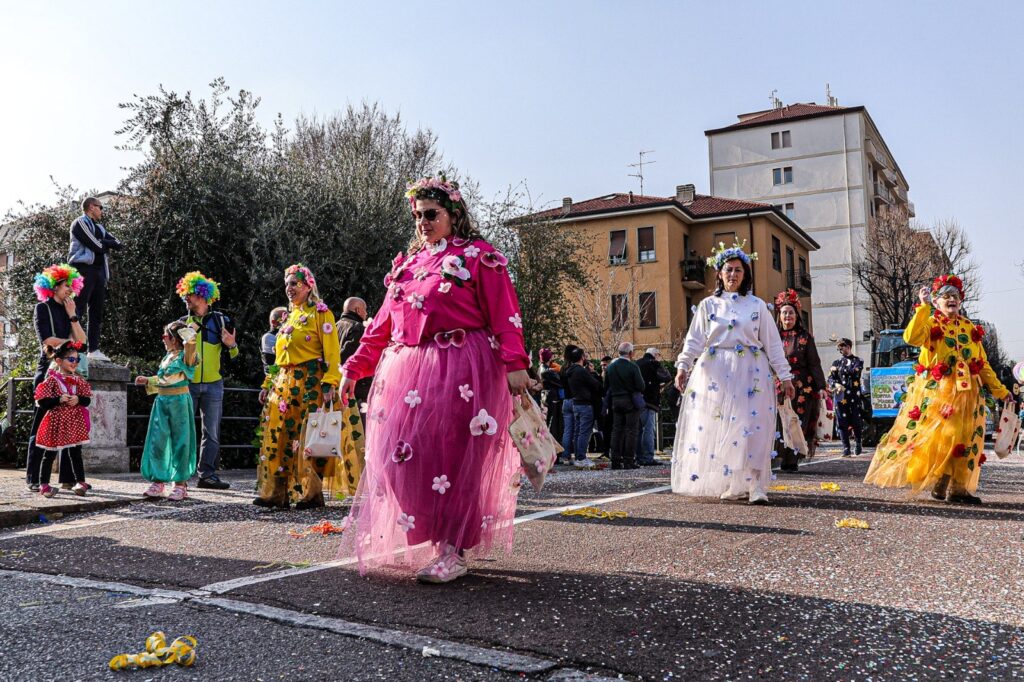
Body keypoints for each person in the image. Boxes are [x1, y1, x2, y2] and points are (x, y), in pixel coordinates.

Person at [339, 174, 530, 583]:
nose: (422, 222)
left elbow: (504, 313)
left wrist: (515, 364)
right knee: (401, 458)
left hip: (464, 368)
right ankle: (430, 532)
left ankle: (452, 548)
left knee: (454, 457)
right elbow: (381, 327)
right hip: (406, 372)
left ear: (453, 215)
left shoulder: (480, 256)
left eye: (431, 214)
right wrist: (354, 368)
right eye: (417, 216)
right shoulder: (407, 266)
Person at [865, 276, 1012, 504]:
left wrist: (1002, 391)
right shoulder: (931, 323)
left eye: (955, 296)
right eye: (946, 296)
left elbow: (982, 365)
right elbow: (911, 337)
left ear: (960, 301)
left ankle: (959, 489)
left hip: (968, 395)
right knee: (946, 436)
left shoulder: (969, 328)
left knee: (966, 439)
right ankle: (940, 479)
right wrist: (922, 307)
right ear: (937, 302)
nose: (951, 300)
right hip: (940, 394)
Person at [671, 242, 795, 505]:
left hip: (752, 369)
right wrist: (683, 367)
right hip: (715, 371)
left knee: (752, 426)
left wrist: (785, 377)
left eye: (738, 270)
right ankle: (733, 481)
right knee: (723, 425)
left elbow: (772, 343)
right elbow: (694, 340)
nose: (733, 275)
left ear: (745, 274)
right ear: (719, 273)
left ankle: (756, 485)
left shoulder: (758, 305)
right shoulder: (708, 305)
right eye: (728, 270)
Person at [254, 264, 342, 510]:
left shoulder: (321, 313)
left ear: (308, 286)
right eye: (287, 284)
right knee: (280, 437)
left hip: (310, 381)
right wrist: (267, 384)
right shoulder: (288, 316)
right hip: (283, 383)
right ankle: (276, 494)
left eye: (295, 284)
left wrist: (330, 382)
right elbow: (278, 358)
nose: (289, 289)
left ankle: (311, 494)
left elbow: (332, 352)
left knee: (308, 438)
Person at [26, 264, 88, 492]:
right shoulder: (42, 308)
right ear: (53, 287)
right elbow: (47, 340)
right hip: (48, 371)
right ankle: (34, 478)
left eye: (72, 286)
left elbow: (82, 342)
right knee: (41, 425)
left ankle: (68, 478)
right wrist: (68, 344)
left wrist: (73, 317)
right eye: (65, 286)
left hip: (68, 373)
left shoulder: (70, 310)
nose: (69, 290)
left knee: (70, 425)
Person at [176, 271, 236, 490]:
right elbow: (173, 355)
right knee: (184, 429)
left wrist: (231, 345)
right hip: (187, 384)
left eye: (190, 294)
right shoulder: (182, 323)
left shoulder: (222, 320)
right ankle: (181, 475)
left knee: (211, 432)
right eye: (185, 294)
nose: (186, 298)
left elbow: (234, 355)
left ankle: (207, 475)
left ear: (202, 295)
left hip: (214, 384)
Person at [134, 321, 198, 501]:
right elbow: (166, 379)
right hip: (162, 401)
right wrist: (148, 380)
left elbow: (191, 343)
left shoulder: (187, 357)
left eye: (165, 336)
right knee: (157, 440)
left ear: (175, 339)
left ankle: (180, 484)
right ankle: (159, 480)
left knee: (181, 441)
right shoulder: (167, 357)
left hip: (179, 402)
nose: (162, 339)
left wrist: (188, 332)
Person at [773, 289, 827, 471]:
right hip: (778, 385)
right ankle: (781, 456)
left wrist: (821, 386)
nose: (787, 316)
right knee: (781, 421)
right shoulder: (772, 337)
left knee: (796, 422)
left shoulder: (804, 337)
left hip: (802, 388)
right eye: (784, 313)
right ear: (779, 316)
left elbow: (814, 362)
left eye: (791, 312)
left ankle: (793, 459)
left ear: (796, 316)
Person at [32, 341, 92, 498]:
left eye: (77, 360)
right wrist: (58, 399)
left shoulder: (79, 380)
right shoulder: (51, 380)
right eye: (71, 360)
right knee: (50, 453)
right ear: (58, 361)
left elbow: (87, 400)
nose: (75, 363)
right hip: (56, 421)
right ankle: (44, 484)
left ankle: (81, 482)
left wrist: (78, 399)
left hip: (73, 421)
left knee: (75, 452)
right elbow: (43, 402)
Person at [68, 196, 123, 360]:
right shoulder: (80, 223)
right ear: (91, 207)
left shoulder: (99, 227)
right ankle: (72, 346)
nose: (102, 210)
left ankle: (94, 349)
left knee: (96, 312)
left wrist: (104, 241)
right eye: (101, 207)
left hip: (99, 272)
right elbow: (96, 246)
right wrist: (105, 243)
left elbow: (118, 244)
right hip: (83, 269)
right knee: (78, 308)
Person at [605, 342, 645, 469]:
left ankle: (615, 461)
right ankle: (629, 460)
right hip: (630, 401)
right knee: (631, 431)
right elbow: (641, 386)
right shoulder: (633, 367)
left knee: (616, 430)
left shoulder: (610, 367)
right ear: (631, 353)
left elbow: (605, 386)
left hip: (615, 401)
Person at [564, 346, 601, 469]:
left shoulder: (570, 371)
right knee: (584, 432)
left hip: (576, 403)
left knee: (577, 432)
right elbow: (596, 385)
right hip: (585, 404)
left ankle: (578, 456)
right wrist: (593, 373)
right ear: (581, 357)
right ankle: (581, 457)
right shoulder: (581, 371)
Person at [829, 338, 866, 457]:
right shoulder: (836, 362)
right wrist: (835, 384)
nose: (840, 349)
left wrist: (838, 370)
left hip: (854, 396)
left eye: (842, 346)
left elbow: (854, 372)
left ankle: (858, 441)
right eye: (839, 347)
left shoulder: (858, 361)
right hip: (840, 396)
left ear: (848, 346)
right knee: (841, 422)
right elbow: (830, 378)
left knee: (856, 421)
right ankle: (846, 448)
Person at [636, 347, 672, 466]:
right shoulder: (654, 364)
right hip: (650, 401)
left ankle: (638, 457)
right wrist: (660, 386)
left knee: (638, 431)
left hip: (636, 401)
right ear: (655, 355)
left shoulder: (636, 363)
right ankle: (648, 457)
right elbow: (667, 377)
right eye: (659, 355)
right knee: (648, 430)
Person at [336, 297, 373, 408]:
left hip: (336, 381)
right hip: (354, 385)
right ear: (357, 310)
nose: (366, 313)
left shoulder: (334, 326)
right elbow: (350, 355)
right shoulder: (358, 328)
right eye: (365, 309)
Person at [558, 344, 579, 464]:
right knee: (577, 430)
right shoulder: (575, 368)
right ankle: (577, 455)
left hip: (565, 400)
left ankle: (566, 456)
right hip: (575, 400)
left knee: (567, 430)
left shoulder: (562, 369)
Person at [538, 348, 564, 444]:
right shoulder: (548, 371)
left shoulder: (543, 368)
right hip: (552, 400)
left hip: (547, 399)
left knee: (551, 425)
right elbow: (561, 383)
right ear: (549, 357)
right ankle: (555, 453)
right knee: (554, 426)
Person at [261, 307, 288, 375]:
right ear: (274, 322)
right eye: (284, 319)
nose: (288, 321)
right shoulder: (268, 337)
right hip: (276, 378)